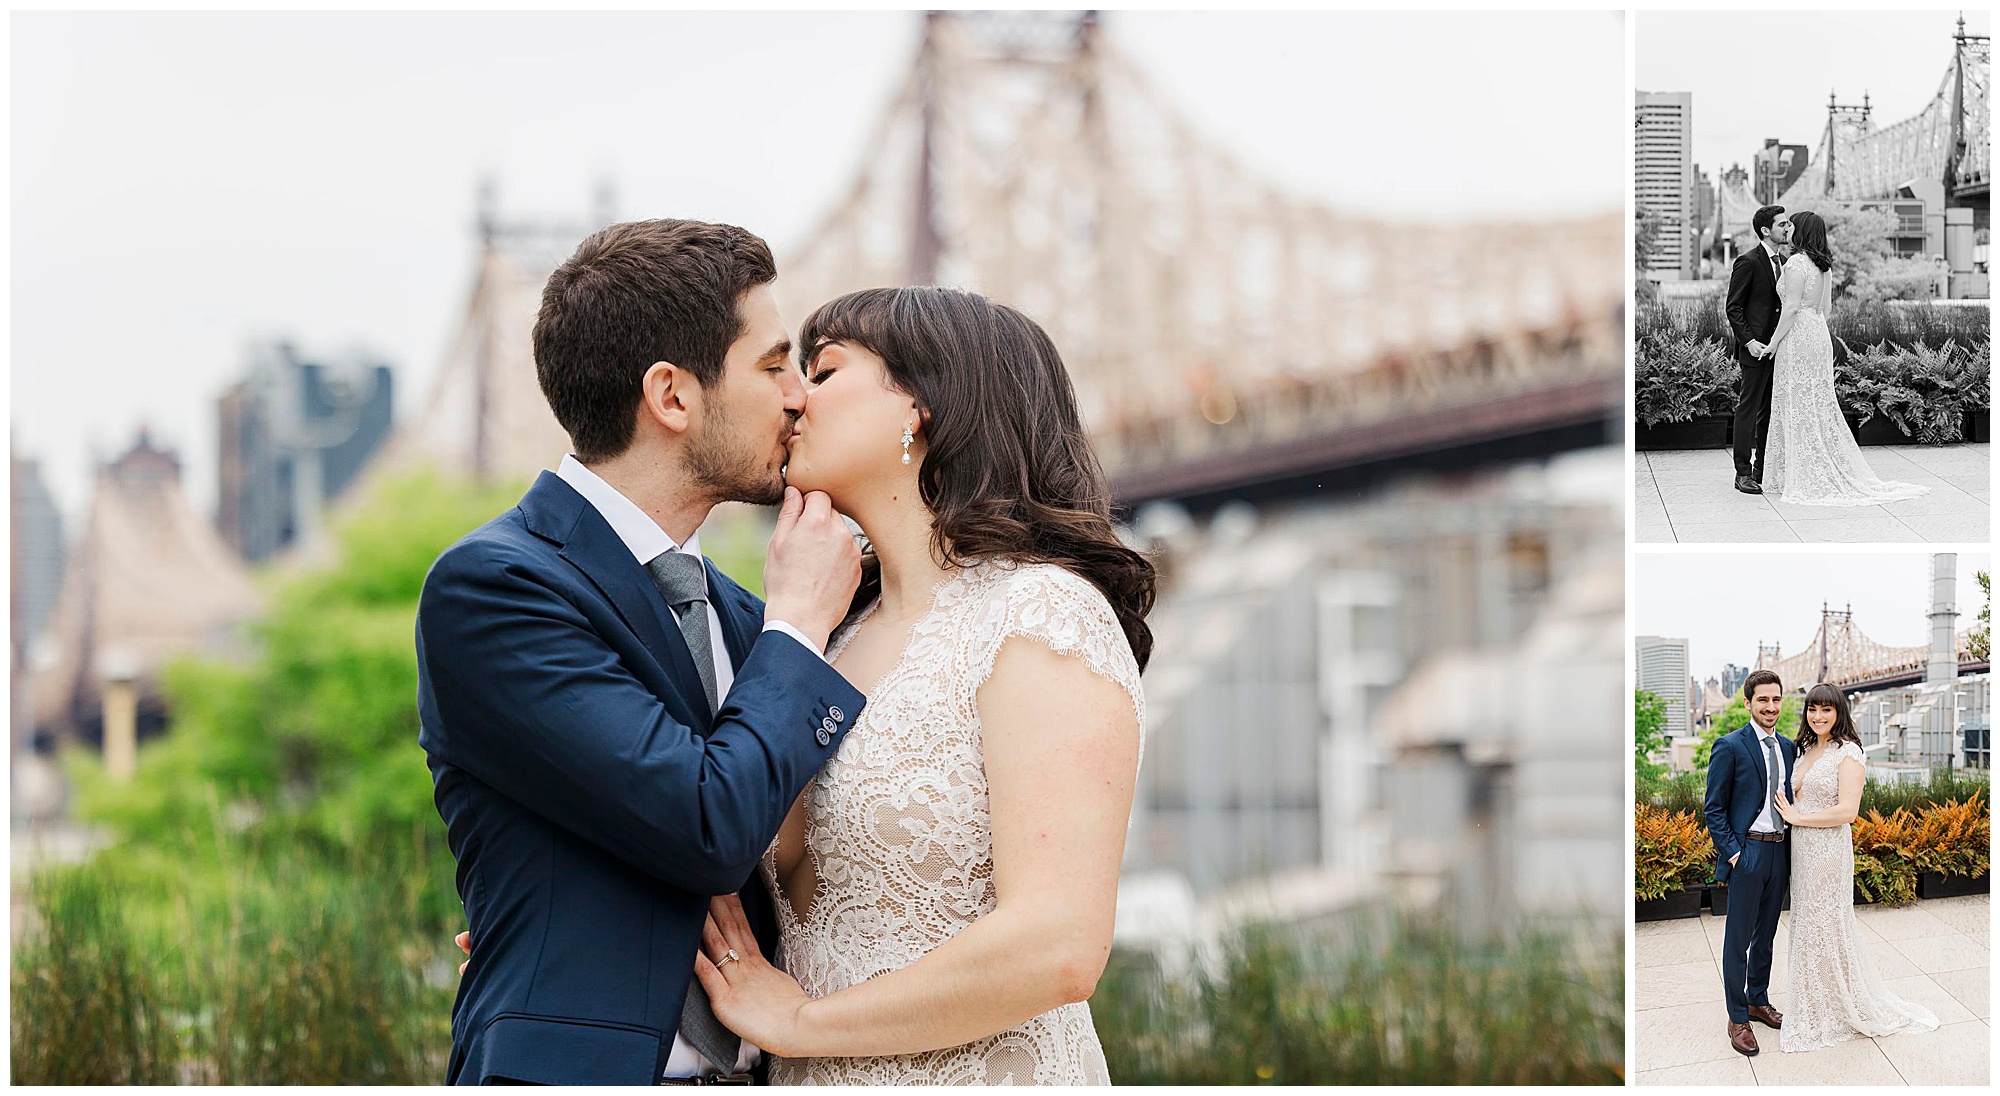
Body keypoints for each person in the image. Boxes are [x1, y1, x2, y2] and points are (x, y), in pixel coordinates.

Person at [417, 218, 868, 1085]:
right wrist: (802, 626)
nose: (800, 396)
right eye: (773, 364)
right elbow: (706, 824)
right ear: (672, 395)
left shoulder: (745, 616)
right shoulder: (494, 588)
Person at [688, 286, 1153, 1084]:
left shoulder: (1037, 612)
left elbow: (1059, 945)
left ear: (922, 408)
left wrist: (802, 1023)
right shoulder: (819, 637)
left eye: (824, 370)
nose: (793, 396)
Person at [1771, 684, 1939, 1051]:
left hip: (1828, 850)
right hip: (1802, 852)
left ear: (1839, 713)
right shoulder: (1803, 749)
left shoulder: (1849, 752)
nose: (1818, 716)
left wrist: (1800, 818)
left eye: (1826, 710)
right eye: (1812, 709)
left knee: (1828, 922)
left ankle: (1838, 1006)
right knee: (1808, 922)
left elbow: (1849, 811)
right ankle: (1815, 1002)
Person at [1759, 210, 1929, 506]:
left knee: (1796, 402)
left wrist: (1774, 343)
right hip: (1818, 334)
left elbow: (1790, 310)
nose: (1787, 230)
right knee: (1818, 401)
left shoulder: (1796, 264)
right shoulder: (1824, 266)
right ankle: (1811, 466)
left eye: (1791, 226)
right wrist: (1813, 329)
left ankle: (1796, 475)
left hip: (1797, 338)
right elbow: (1825, 310)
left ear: (1802, 232)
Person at [1703, 670, 1795, 1057]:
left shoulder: (1789, 747)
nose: (1771, 707)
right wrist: (1735, 853)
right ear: (1748, 703)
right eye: (1763, 700)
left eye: (1776, 700)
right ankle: (1737, 1017)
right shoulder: (1729, 745)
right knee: (1737, 940)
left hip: (1780, 851)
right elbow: (1714, 808)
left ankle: (1758, 1000)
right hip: (1748, 852)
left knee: (1767, 935)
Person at [1725, 205, 1791, 494]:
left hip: (1780, 348)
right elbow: (1733, 307)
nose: (1788, 228)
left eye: (1788, 223)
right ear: (1766, 230)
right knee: (1748, 410)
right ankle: (1742, 472)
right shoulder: (1747, 261)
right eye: (1782, 224)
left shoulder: (1786, 261)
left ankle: (1762, 469)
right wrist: (1750, 342)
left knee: (1771, 411)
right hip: (1755, 349)